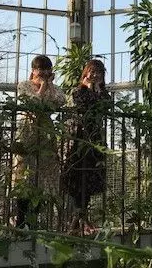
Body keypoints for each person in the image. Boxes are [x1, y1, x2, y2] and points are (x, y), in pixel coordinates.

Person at [13, 55, 65, 228]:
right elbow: (32, 103)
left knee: (43, 175)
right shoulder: (24, 85)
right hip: (28, 130)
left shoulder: (54, 88)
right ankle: (21, 220)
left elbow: (60, 101)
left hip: (45, 132)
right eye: (40, 69)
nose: (44, 72)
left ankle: (35, 220)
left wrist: (49, 85)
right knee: (24, 173)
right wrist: (42, 87)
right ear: (33, 70)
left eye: (47, 69)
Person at [62, 59, 110, 235]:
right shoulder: (78, 91)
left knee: (89, 178)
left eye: (99, 73)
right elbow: (84, 106)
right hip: (80, 139)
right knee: (78, 177)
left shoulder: (103, 93)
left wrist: (97, 90)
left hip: (95, 139)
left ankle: (79, 220)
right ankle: (80, 220)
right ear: (85, 73)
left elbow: (106, 106)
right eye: (92, 71)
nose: (95, 75)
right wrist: (89, 88)